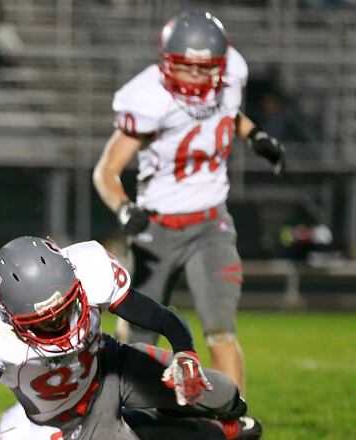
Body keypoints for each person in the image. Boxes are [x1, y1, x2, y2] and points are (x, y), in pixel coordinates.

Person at [92, 10, 286, 393]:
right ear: (166, 63)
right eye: (186, 68)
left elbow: (228, 112)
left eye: (205, 69)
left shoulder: (231, 76)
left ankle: (232, 420)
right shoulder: (147, 96)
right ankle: (129, 413)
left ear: (220, 65)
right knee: (137, 333)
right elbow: (105, 171)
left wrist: (254, 134)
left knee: (220, 330)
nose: (196, 78)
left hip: (211, 223)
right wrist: (123, 207)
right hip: (157, 227)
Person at [0, 236, 262, 440]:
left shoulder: (89, 268)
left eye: (64, 308)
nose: (58, 323)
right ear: (7, 314)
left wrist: (185, 352)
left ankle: (220, 418)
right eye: (44, 321)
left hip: (112, 365)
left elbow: (157, 315)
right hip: (75, 420)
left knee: (224, 394)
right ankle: (215, 432)